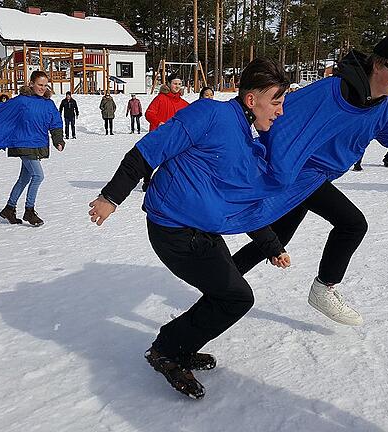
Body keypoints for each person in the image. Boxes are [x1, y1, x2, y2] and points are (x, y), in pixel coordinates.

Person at [231, 35, 388, 326]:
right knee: (352, 223)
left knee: (278, 238)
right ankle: (324, 287)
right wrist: (274, 162)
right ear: (379, 64)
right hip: (298, 173)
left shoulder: (384, 108)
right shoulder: (329, 90)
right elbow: (275, 115)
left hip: (315, 178)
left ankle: (222, 278)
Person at [88, 58, 291, 400]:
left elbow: (242, 202)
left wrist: (271, 245)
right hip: (174, 231)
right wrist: (111, 196)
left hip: (205, 231)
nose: (281, 111)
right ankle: (168, 350)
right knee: (236, 298)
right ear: (251, 99)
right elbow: (147, 151)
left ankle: (176, 345)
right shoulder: (209, 114)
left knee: (225, 294)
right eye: (276, 101)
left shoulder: (247, 139)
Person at [0, 71, 65, 227]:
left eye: (45, 85)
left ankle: (9, 208)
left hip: (38, 144)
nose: (42, 88)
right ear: (31, 83)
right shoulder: (21, 101)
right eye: (39, 84)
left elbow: (55, 122)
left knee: (24, 178)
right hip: (23, 143)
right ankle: (29, 210)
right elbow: (2, 114)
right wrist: (1, 136)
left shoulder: (48, 104)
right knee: (38, 176)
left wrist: (58, 139)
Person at [142, 72, 190, 190]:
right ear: (168, 84)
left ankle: (168, 182)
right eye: (175, 83)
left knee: (172, 161)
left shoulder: (184, 103)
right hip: (158, 135)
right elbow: (149, 113)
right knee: (153, 159)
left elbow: (191, 117)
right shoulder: (160, 98)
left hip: (174, 138)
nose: (177, 86)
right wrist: (158, 123)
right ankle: (147, 180)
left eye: (179, 84)